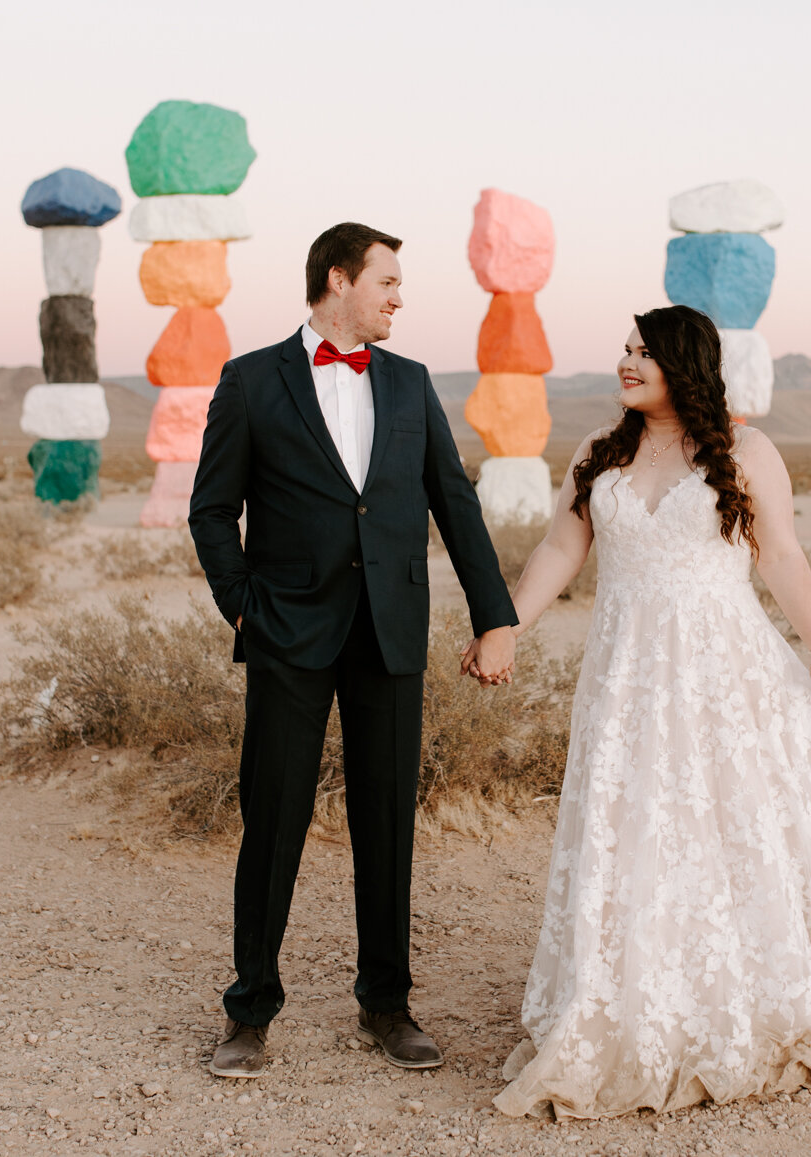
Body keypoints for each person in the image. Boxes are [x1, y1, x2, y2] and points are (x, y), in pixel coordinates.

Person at [479, 305, 811, 1120]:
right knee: (638, 821)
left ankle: (749, 992)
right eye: (623, 349)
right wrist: (505, 627)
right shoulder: (596, 452)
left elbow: (781, 551)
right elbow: (561, 550)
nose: (626, 362)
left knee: (732, 821)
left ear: (684, 362)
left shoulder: (746, 451)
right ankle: (637, 996)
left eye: (643, 352)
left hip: (725, 672)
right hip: (627, 677)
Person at [189, 222, 519, 1079]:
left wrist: (496, 615)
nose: (400, 297)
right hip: (287, 633)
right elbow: (212, 511)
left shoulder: (409, 383)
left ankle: (387, 1005)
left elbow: (455, 501)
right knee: (274, 821)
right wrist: (246, 612)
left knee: (386, 824)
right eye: (389, 281)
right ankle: (250, 1009)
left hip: (390, 629)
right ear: (339, 279)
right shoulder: (252, 379)